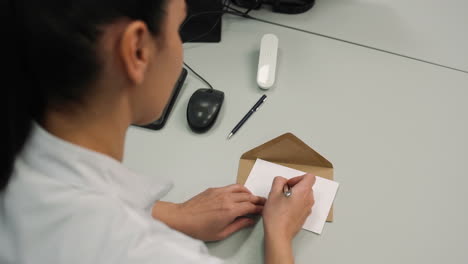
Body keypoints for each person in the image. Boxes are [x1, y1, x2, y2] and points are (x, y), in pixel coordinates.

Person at [0, 0, 316, 263]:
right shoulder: (148, 253)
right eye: (178, 30)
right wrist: (279, 234)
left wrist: (172, 214)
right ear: (137, 50)